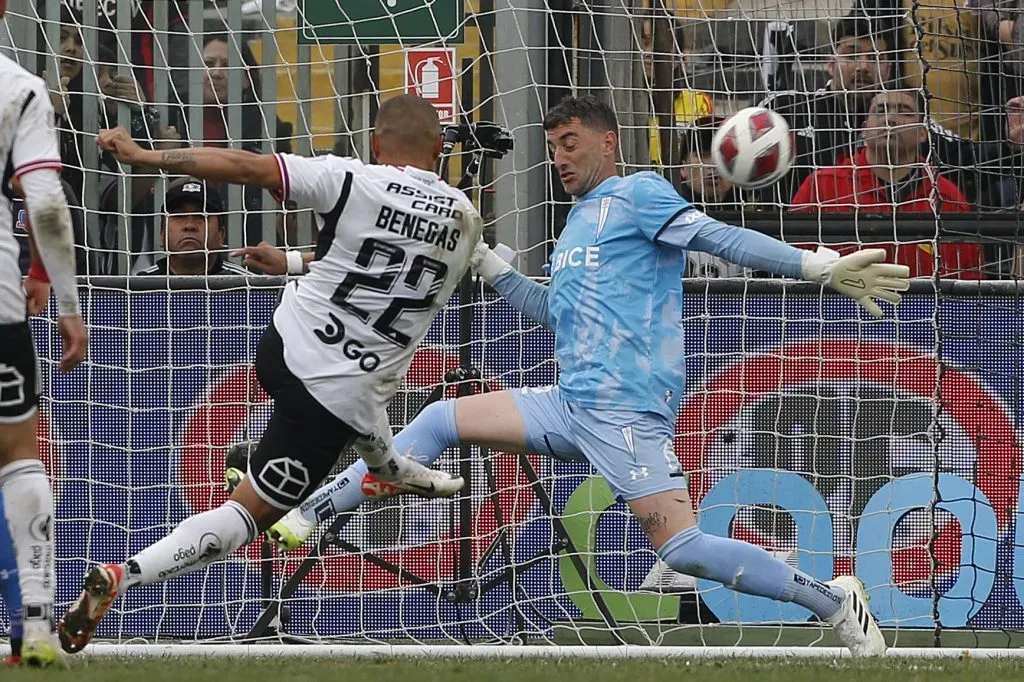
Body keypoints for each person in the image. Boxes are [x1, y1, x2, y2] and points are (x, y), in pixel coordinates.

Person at [266, 95, 910, 657]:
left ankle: (832, 601)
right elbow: (557, 313)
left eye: (570, 144)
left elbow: (718, 238)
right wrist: (490, 265)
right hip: (571, 402)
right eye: (552, 148)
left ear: (609, 141)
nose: (560, 159)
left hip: (624, 412)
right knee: (437, 420)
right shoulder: (576, 224)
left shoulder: (640, 194)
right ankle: (307, 513)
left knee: (681, 549)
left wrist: (814, 266)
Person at [57, 94, 477, 654]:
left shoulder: (350, 178)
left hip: (283, 343)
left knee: (364, 399)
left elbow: (244, 166)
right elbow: (396, 268)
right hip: (331, 397)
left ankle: (385, 466)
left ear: (376, 144)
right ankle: (123, 576)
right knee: (250, 515)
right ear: (438, 149)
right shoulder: (466, 220)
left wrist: (147, 157)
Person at [0, 0, 90, 665]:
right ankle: (35, 620)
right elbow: (48, 203)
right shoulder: (19, 88)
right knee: (17, 453)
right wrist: (66, 300)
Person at [792, 90, 981, 279]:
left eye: (904, 112)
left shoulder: (947, 197)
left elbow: (970, 280)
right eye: (880, 111)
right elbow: (793, 264)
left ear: (923, 133)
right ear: (864, 129)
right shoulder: (821, 187)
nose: (890, 119)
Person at [136, 177, 249, 277]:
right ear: (162, 235)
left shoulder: (249, 287)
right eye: (179, 215)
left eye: (201, 216)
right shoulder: (137, 290)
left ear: (221, 235)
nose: (189, 225)